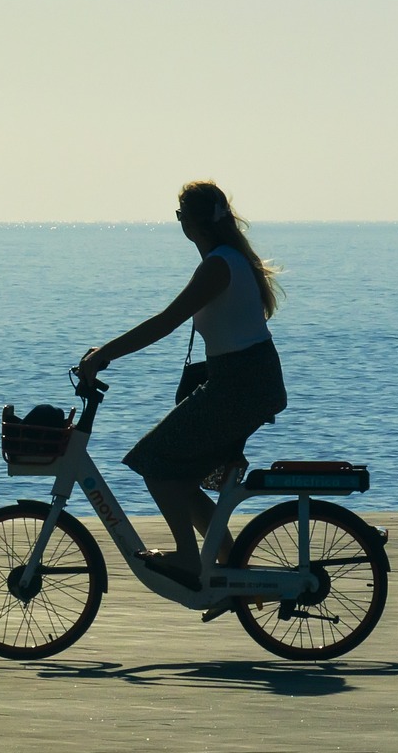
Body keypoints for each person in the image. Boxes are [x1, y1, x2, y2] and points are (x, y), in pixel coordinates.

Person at [78, 181, 287, 586]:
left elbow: (165, 322)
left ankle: (191, 560)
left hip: (238, 385)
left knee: (154, 463)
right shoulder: (231, 258)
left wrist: (105, 354)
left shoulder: (218, 265)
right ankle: (230, 568)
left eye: (179, 216)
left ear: (190, 222)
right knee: (178, 477)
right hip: (247, 381)